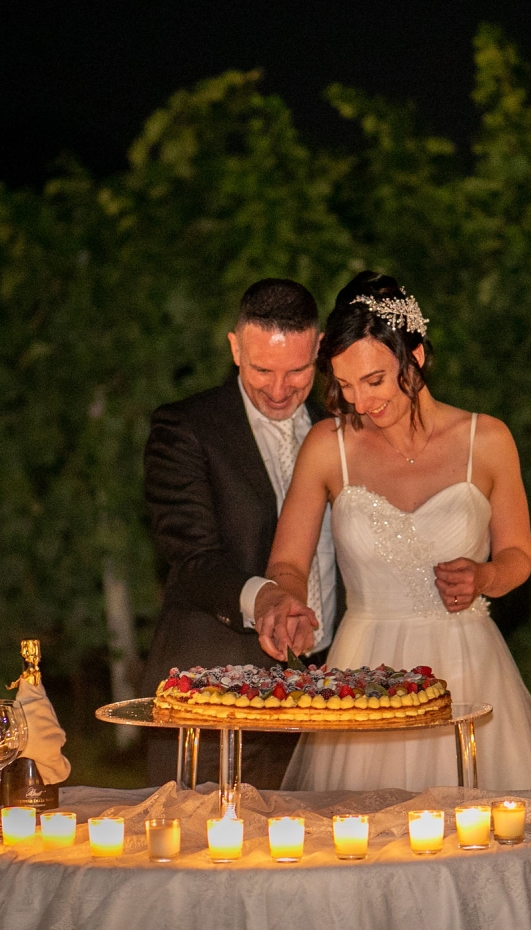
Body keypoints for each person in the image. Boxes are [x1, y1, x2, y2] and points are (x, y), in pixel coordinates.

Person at [260, 271, 531, 792]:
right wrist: (285, 599)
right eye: (345, 385)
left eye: (374, 381)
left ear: (415, 356)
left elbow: (518, 555)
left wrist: (484, 577)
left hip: (465, 665)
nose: (359, 402)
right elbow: (288, 561)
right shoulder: (327, 445)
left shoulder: (488, 440)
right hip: (364, 671)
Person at [141, 278, 337, 787]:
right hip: (213, 697)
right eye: (262, 370)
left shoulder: (342, 427)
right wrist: (266, 598)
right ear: (234, 349)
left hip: (326, 702)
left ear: (319, 348)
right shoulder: (185, 427)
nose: (279, 389)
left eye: (297, 371)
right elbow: (192, 557)